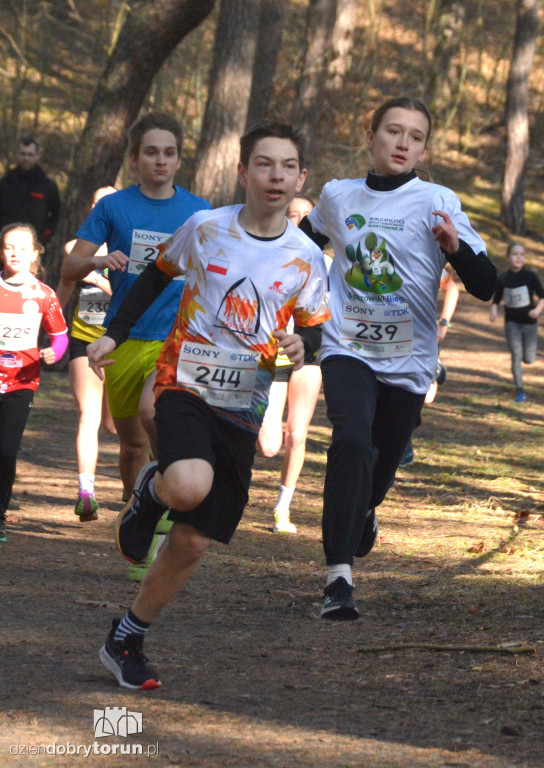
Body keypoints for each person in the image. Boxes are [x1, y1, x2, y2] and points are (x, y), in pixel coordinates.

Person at [87, 120, 330, 689]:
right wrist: (114, 334)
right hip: (185, 384)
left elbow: (315, 330)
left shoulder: (304, 257)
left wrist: (303, 343)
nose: (275, 176)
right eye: (263, 164)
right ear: (242, 172)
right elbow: (152, 279)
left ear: (300, 178)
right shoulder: (205, 227)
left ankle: (127, 635)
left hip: (244, 402)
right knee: (190, 486)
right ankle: (155, 488)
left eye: (287, 167)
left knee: (194, 539)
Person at [298, 96, 496, 620]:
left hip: (409, 359)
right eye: (393, 131)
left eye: (414, 135)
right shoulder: (339, 196)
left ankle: (364, 510)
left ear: (424, 147)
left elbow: (488, 285)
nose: (402, 142)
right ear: (372, 136)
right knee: (352, 442)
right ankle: (337, 578)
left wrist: (455, 248)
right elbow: (298, 246)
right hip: (347, 347)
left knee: (381, 466)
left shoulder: (438, 201)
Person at [60, 112, 210, 502]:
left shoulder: (200, 212)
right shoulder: (113, 207)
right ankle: (137, 508)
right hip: (123, 337)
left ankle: (168, 505)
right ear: (134, 160)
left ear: (179, 161)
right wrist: (97, 261)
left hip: (175, 339)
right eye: (151, 152)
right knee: (130, 446)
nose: (160, 160)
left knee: (156, 417)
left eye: (169, 153)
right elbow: (70, 267)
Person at [257, 193, 328, 533]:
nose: (299, 220)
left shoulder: (326, 262)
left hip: (310, 352)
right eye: (293, 214)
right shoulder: (267, 256)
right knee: (269, 446)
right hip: (273, 352)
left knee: (296, 433)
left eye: (306, 215)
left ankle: (283, 507)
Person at [0, 223, 68, 543]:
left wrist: (54, 353)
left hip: (21, 383)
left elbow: (60, 337)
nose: (15, 253)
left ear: (34, 254)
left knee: (5, 452)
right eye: (8, 247)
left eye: (21, 248)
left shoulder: (43, 294)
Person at [55, 186, 118, 521]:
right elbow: (68, 273)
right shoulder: (76, 249)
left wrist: (104, 280)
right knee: (88, 415)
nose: (102, 206)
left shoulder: (130, 246)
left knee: (113, 425)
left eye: (108, 201)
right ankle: (86, 492)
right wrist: (49, 324)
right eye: (96, 202)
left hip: (119, 342)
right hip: (84, 339)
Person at [399, 266, 459, 466]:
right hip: (385, 338)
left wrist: (443, 323)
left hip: (422, 338)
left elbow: (452, 289)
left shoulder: (424, 260)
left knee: (424, 396)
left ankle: (403, 442)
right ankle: (399, 445)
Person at [489, 242, 544, 402]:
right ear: (508, 258)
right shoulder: (503, 279)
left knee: (529, 358)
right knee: (516, 354)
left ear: (524, 258)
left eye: (521, 254)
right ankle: (520, 390)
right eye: (515, 254)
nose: (518, 257)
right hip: (511, 323)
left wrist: (537, 311)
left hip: (530, 323)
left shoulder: (530, 277)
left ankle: (525, 360)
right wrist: (493, 312)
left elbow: (542, 297)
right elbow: (496, 300)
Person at [0, 136, 61, 246]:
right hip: (5, 244)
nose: (26, 159)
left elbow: (55, 216)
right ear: (17, 155)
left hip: (34, 245)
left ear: (37, 156)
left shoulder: (47, 185)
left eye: (30, 155)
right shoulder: (5, 183)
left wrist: (43, 238)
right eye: (23, 154)